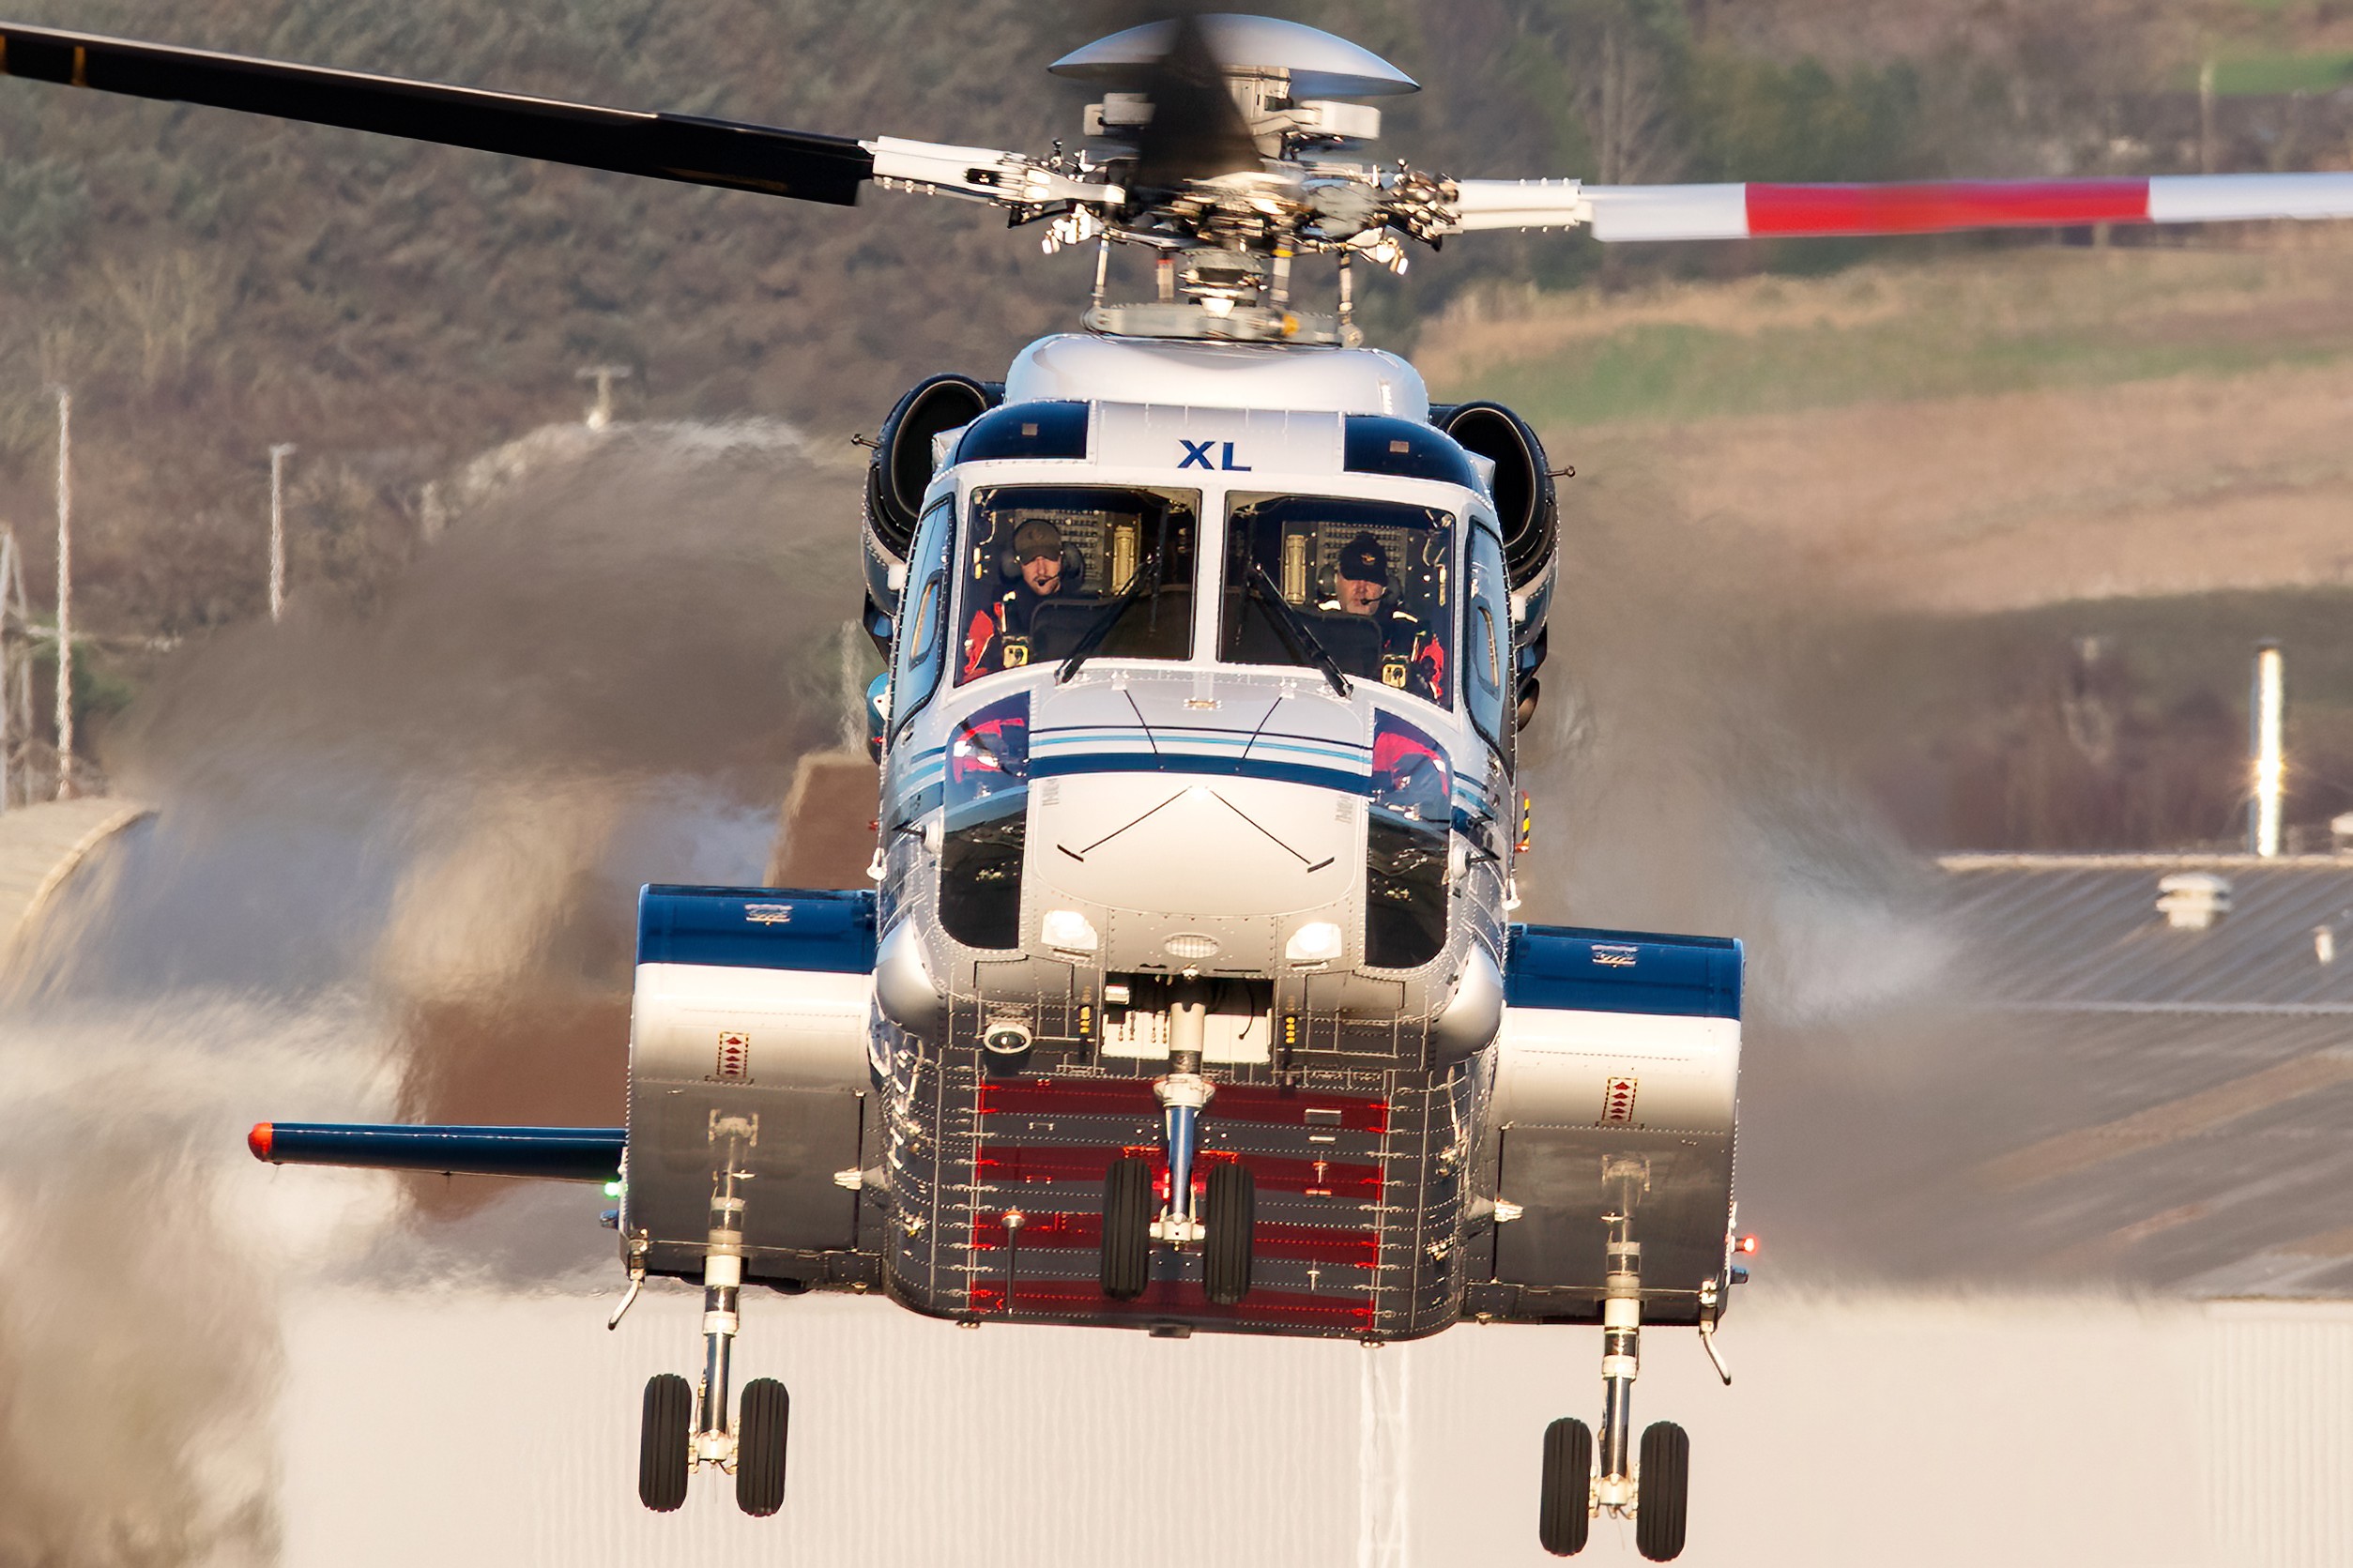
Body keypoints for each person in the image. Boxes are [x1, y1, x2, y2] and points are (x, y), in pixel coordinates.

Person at [1321, 532, 1444, 699]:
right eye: (1353, 577)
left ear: (1386, 588)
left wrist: (1416, 682)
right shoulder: (1310, 629)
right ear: (1333, 581)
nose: (1361, 588)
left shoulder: (1416, 639)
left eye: (1371, 580)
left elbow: (1439, 696)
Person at [962, 517, 1066, 678]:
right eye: (1030, 559)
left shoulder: (1093, 612)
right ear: (1015, 566)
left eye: (1049, 557)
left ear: (1063, 560)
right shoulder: (994, 617)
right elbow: (969, 679)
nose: (1041, 569)